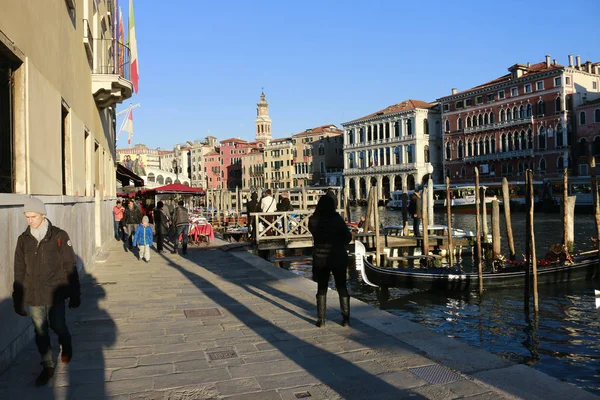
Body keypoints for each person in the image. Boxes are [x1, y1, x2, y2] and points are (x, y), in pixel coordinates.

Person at [13, 196, 81, 386]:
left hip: (55, 293)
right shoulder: (22, 240)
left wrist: (75, 294)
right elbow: (18, 271)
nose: (29, 221)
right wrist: (18, 300)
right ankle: (48, 366)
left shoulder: (59, 236)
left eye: (33, 216)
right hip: (34, 294)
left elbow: (69, 266)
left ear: (43, 215)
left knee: (58, 326)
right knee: (40, 331)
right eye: (27, 217)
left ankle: (66, 344)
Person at [308, 195, 352, 327]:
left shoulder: (313, 220)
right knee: (341, 286)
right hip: (337, 256)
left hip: (320, 258)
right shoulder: (337, 219)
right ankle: (345, 319)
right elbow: (347, 238)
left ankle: (321, 320)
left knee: (321, 288)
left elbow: (315, 234)